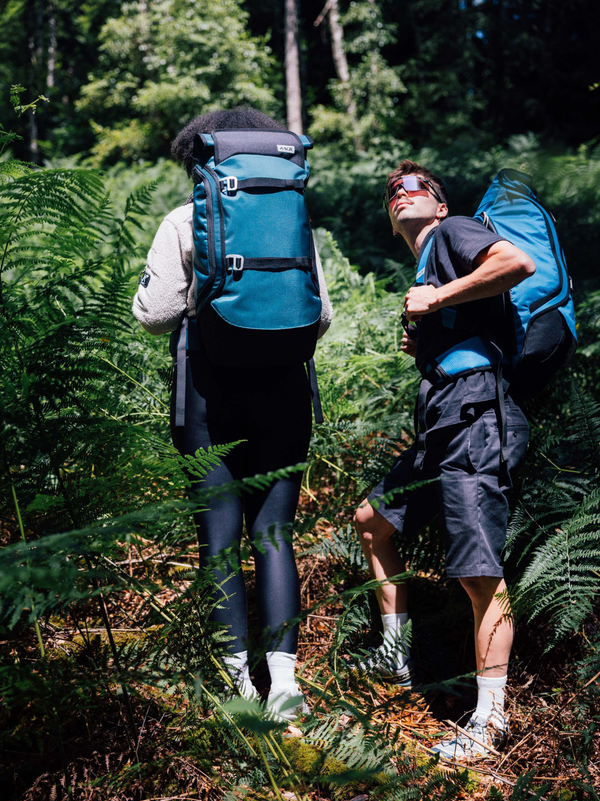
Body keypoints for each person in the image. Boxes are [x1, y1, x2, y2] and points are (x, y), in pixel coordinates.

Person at [132, 108, 332, 721]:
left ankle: (237, 686)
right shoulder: (293, 216)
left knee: (218, 538)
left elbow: (154, 312)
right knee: (275, 535)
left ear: (199, 159)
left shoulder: (184, 217)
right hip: (285, 391)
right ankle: (286, 688)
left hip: (208, 394)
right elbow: (319, 316)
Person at [354, 160, 535, 758]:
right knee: (372, 520)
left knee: (478, 572)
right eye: (392, 192)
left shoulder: (454, 232)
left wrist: (439, 297)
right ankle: (396, 658)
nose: (403, 194)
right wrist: (425, 333)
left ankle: (489, 723)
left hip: (477, 415)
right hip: (445, 420)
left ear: (438, 204)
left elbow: (517, 264)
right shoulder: (428, 260)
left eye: (417, 188)